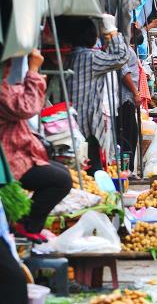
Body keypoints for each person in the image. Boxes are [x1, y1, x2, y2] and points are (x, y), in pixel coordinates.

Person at [0, 49, 72, 242]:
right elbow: (27, 107)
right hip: (8, 161)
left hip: (16, 153)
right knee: (61, 181)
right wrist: (33, 71)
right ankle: (26, 225)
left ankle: (27, 222)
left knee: (62, 173)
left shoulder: (4, 86)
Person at [67, 16, 129, 174]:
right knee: (92, 169)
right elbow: (121, 57)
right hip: (87, 124)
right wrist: (112, 31)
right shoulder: (90, 57)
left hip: (70, 124)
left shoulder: (70, 57)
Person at [117, 26, 143, 172]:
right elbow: (124, 71)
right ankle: (126, 170)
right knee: (127, 137)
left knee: (130, 136)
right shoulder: (121, 47)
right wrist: (135, 93)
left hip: (127, 98)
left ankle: (127, 170)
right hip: (124, 98)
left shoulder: (124, 46)